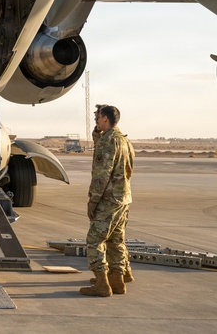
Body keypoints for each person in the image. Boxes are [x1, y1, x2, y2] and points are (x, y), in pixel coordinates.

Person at [80, 104, 135, 297]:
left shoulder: (107, 142)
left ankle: (102, 284)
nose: (95, 119)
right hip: (123, 197)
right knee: (116, 239)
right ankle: (117, 280)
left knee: (95, 240)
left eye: (98, 116)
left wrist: (93, 200)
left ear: (105, 118)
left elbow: (101, 175)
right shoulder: (124, 141)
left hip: (108, 198)